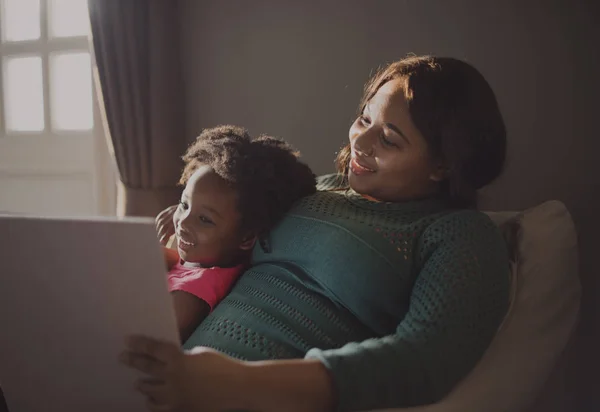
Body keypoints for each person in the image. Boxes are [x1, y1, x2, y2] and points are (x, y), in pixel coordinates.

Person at [119, 55, 510, 412]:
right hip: (168, 383)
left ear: (442, 164)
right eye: (364, 119)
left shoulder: (460, 234)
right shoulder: (312, 189)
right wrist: (186, 221)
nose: (360, 141)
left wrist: (238, 382)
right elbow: (226, 245)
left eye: (389, 139)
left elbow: (425, 359)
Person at [163, 125, 316, 342]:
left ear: (246, 238)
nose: (183, 222)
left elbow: (146, 339)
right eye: (184, 204)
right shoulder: (203, 260)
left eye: (205, 219)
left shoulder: (193, 293)